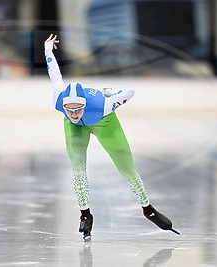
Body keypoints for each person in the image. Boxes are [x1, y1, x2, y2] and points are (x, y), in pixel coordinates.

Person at [44, 34, 176, 241]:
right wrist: (48, 49)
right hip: (75, 129)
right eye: (69, 111)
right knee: (78, 168)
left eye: (78, 109)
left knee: (127, 169)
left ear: (84, 104)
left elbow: (130, 92)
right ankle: (85, 215)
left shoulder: (102, 106)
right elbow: (55, 74)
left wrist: (113, 94)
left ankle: (148, 209)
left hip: (105, 123)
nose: (74, 114)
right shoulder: (59, 100)